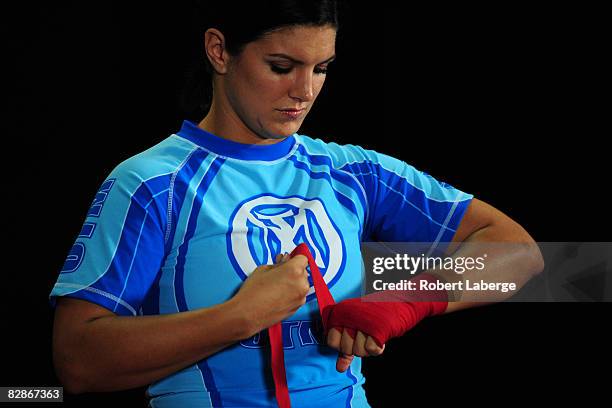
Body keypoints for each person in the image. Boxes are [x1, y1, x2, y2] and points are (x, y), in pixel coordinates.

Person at [49, 1, 544, 407]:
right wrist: (242, 315)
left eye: (321, 69)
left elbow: (518, 253)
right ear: (219, 51)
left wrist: (402, 300)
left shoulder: (354, 172)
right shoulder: (153, 182)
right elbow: (78, 362)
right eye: (281, 67)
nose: (304, 92)